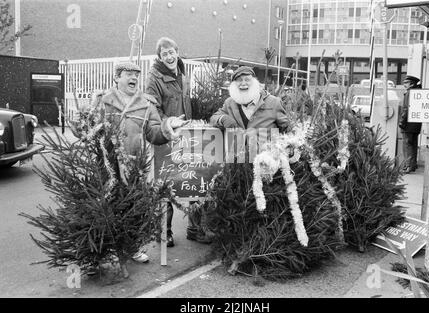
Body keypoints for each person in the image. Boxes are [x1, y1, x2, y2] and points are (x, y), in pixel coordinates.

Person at [90, 61, 189, 262]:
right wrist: (92, 113)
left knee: (131, 207)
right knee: (104, 208)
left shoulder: (146, 104)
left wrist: (169, 127)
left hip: (134, 166)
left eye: (136, 74)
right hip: (107, 165)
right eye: (128, 74)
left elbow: (154, 132)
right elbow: (89, 128)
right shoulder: (104, 101)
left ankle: (131, 248)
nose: (134, 78)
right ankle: (99, 254)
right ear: (117, 77)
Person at [145, 37, 210, 245]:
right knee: (166, 185)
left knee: (194, 181)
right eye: (164, 54)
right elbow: (152, 108)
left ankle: (194, 228)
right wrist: (168, 124)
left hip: (188, 136)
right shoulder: (154, 77)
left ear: (177, 51)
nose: (169, 56)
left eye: (171, 52)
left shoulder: (182, 74)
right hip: (167, 136)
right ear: (160, 57)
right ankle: (165, 232)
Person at [210, 66, 289, 132]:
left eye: (247, 80)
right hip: (237, 150)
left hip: (265, 150)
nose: (243, 83)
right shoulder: (229, 103)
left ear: (255, 82)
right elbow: (214, 118)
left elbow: (287, 129)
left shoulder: (274, 103)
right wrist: (223, 118)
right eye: (239, 80)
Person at [399, 75, 422, 174]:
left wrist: (401, 121)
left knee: (407, 145)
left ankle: (407, 166)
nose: (404, 84)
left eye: (406, 83)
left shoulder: (409, 93)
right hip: (416, 124)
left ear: (412, 84)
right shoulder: (418, 92)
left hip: (408, 124)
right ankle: (413, 165)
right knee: (413, 145)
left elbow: (406, 108)